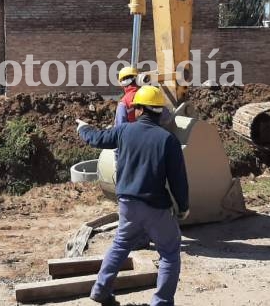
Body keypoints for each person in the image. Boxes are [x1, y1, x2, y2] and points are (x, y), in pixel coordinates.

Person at [76, 85, 189, 306]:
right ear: (161, 112)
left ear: (138, 110)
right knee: (169, 253)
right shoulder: (168, 140)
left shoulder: (124, 131)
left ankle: (100, 290)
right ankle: (161, 302)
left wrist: (83, 128)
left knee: (120, 244)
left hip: (128, 203)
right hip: (155, 206)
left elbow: (97, 138)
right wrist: (183, 207)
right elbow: (178, 180)